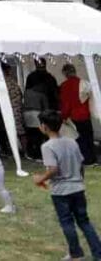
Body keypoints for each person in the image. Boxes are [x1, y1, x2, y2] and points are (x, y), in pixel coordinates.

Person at [35, 109, 101, 260]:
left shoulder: (47, 146)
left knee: (67, 222)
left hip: (61, 191)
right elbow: (80, 164)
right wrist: (79, 180)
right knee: (84, 222)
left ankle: (76, 253)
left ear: (44, 126)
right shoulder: (72, 142)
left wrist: (41, 178)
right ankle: (98, 253)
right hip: (77, 188)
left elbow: (53, 169)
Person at [60, 63, 96, 165]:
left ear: (65, 73)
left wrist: (63, 116)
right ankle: (92, 157)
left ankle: (85, 158)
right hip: (85, 114)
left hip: (74, 116)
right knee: (88, 136)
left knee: (79, 138)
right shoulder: (84, 83)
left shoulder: (64, 86)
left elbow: (66, 103)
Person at [1, 62, 27, 156]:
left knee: (14, 131)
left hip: (10, 109)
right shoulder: (13, 81)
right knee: (20, 131)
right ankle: (24, 150)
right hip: (17, 108)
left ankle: (19, 150)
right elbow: (20, 94)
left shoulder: (3, 83)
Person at [24, 78, 49, 160]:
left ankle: (30, 152)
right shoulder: (42, 95)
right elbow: (46, 108)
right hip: (36, 114)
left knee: (30, 135)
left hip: (26, 114)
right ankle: (38, 154)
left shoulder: (27, 92)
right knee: (38, 135)